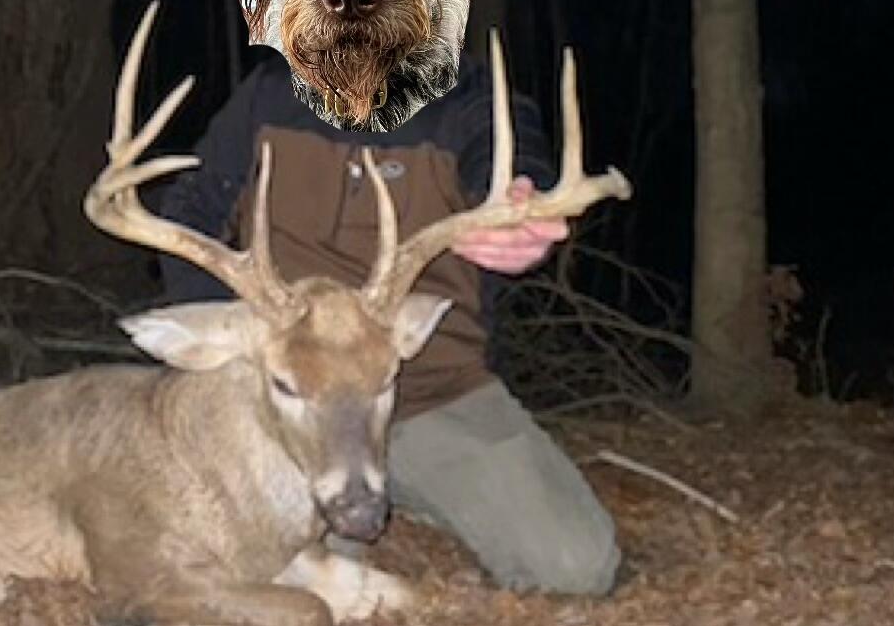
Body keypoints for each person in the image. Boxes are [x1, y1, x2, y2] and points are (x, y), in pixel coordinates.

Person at [153, 45, 621, 596]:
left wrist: (522, 206)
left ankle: (417, 490)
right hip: (289, 400)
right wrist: (244, 338)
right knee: (220, 551)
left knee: (576, 566)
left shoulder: (471, 98)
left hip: (430, 392)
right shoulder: (271, 96)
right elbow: (191, 205)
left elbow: (512, 161)